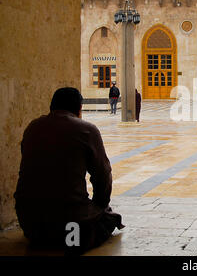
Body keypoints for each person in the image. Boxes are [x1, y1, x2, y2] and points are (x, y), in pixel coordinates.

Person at [14, 87, 124, 255]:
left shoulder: (32, 127)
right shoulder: (86, 130)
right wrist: (101, 205)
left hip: (30, 224)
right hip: (71, 224)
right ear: (79, 108)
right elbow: (103, 174)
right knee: (110, 218)